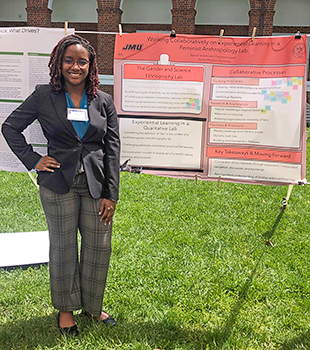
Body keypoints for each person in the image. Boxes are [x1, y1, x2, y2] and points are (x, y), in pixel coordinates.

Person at [1, 34, 120, 336]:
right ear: (58, 63)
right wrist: (33, 159)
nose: (75, 66)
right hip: (57, 184)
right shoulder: (43, 95)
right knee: (64, 247)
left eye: (82, 61)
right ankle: (66, 311)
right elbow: (10, 127)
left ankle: (93, 307)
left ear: (91, 65)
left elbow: (112, 149)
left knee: (98, 246)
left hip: (96, 185)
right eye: (69, 60)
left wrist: (111, 193)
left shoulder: (103, 101)